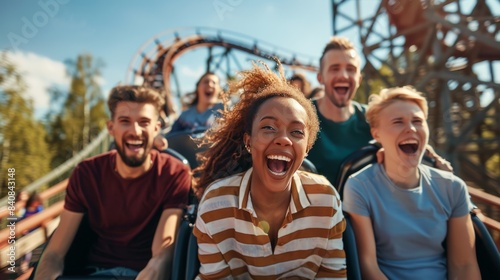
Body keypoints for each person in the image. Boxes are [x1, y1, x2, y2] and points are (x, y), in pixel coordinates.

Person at [193, 60, 347, 279]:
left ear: (307, 149)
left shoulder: (326, 199)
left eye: (296, 132)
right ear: (249, 141)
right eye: (268, 127)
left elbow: (332, 275)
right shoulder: (215, 204)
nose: (283, 139)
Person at [34, 85, 191, 280]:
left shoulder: (174, 173)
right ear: (111, 127)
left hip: (141, 273)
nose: (135, 131)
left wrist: (155, 269)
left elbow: (162, 252)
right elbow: (55, 252)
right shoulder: (86, 173)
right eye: (125, 121)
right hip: (93, 273)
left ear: (156, 128)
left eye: (144, 122)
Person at [343, 86, 480, 279]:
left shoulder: (453, 187)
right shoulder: (359, 186)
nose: (411, 128)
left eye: (418, 121)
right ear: (376, 134)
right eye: (398, 122)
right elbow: (367, 266)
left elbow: (464, 266)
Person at [307, 36, 452, 186]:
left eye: (351, 69)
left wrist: (434, 159)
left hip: (368, 205)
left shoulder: (373, 118)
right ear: (320, 77)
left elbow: (408, 135)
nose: (343, 75)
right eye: (334, 68)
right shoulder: (302, 116)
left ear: (359, 79)